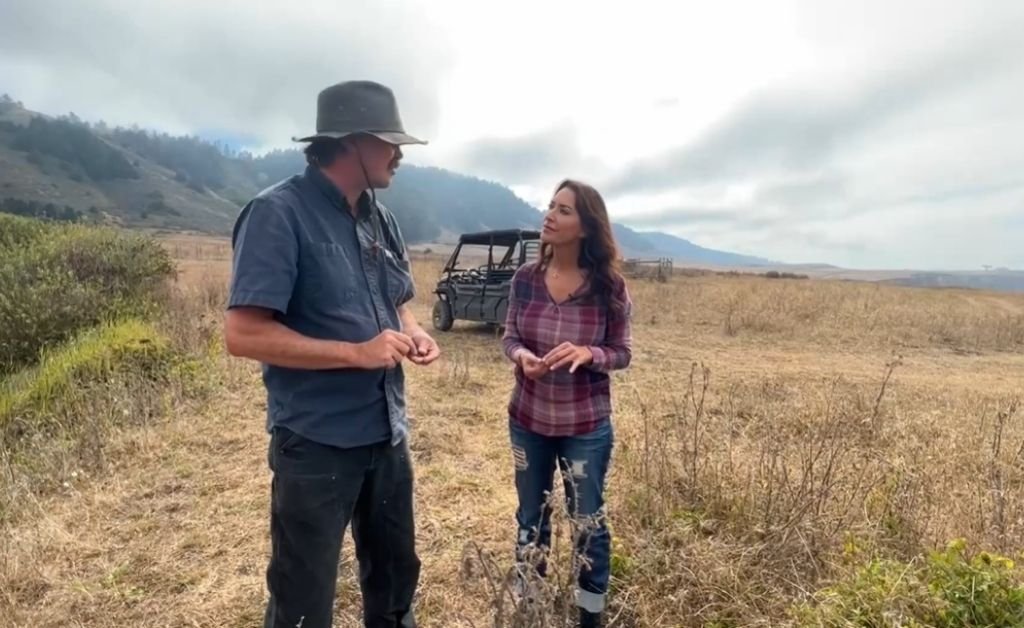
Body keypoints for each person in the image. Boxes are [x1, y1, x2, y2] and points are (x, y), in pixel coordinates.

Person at [223, 80, 440, 628]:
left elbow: (397, 305)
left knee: (395, 582)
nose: (399, 155)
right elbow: (243, 335)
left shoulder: (380, 218)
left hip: (387, 435)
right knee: (304, 599)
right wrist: (355, 352)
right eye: (390, 142)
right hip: (316, 443)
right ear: (351, 142)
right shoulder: (277, 214)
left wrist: (412, 332)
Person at [501, 179, 633, 628]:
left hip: (586, 428)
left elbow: (622, 352)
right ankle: (530, 610)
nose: (549, 216)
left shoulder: (609, 287)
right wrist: (523, 358)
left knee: (588, 525)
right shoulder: (525, 280)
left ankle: (589, 619)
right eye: (550, 206)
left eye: (563, 210)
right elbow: (511, 337)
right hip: (528, 420)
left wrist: (588, 354)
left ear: (585, 226)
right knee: (529, 521)